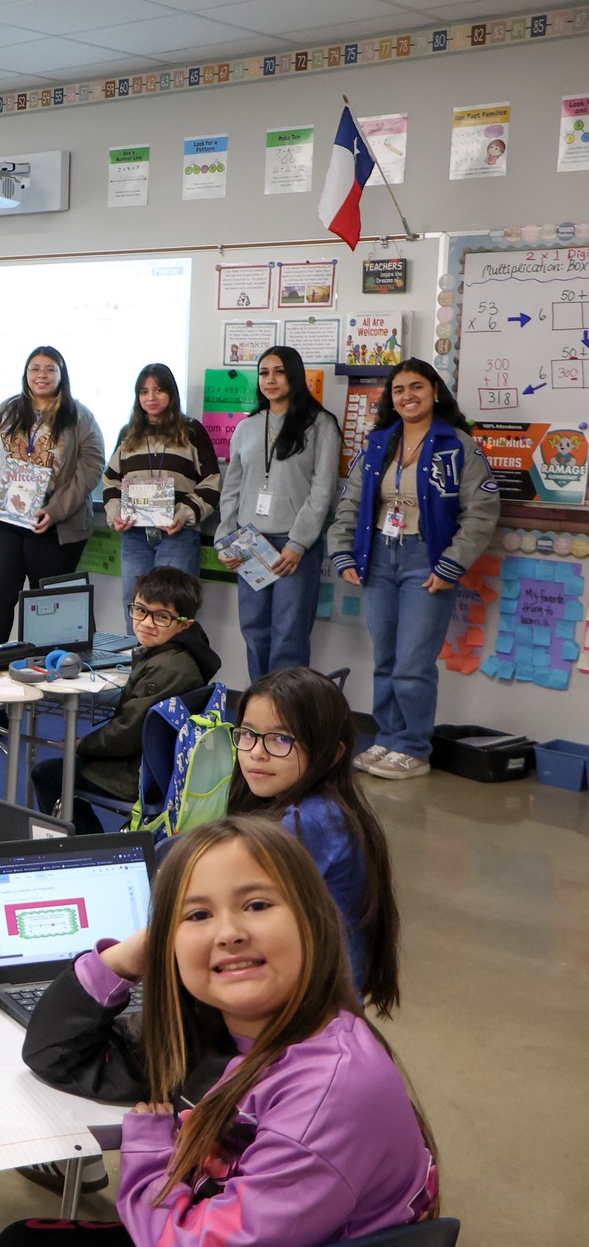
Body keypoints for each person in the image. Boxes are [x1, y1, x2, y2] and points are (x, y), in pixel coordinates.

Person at [0, 818, 440, 1247]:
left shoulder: (329, 1091)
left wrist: (148, 1160)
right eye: (198, 914)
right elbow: (53, 1052)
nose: (228, 932)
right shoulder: (221, 1037)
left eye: (256, 905)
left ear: (312, 920)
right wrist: (130, 956)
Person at [327, 359, 500, 780]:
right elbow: (351, 501)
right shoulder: (378, 444)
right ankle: (388, 737)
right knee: (385, 657)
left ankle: (414, 748)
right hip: (380, 558)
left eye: (417, 387)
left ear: (435, 391)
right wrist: (342, 552)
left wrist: (451, 564)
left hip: (427, 560)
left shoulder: (458, 445)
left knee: (413, 662)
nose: (408, 396)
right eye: (399, 389)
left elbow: (482, 510)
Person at [229, 668, 399, 1009]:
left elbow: (234, 920)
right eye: (248, 734)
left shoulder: (305, 823)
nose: (256, 753)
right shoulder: (326, 807)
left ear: (332, 754)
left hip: (310, 1006)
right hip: (318, 993)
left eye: (281, 739)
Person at [29, 567, 219, 833]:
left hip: (140, 774)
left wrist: (84, 744)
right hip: (155, 764)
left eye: (162, 616)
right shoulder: (179, 654)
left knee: (46, 774)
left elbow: (126, 733)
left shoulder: (168, 668)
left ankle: (88, 849)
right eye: (140, 610)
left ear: (184, 624)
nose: (146, 623)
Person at [214, 346, 343, 678]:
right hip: (249, 540)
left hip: (292, 543)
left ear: (295, 376)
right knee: (254, 631)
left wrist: (298, 543)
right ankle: (260, 711)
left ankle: (286, 717)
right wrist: (224, 538)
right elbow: (232, 487)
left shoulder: (320, 424)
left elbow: (323, 489)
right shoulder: (247, 426)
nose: (269, 379)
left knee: (289, 635)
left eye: (279, 371)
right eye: (263, 372)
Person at [0, 346, 107, 642]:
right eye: (35, 369)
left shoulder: (80, 417)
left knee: (49, 614)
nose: (41, 375)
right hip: (1, 523)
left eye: (49, 369)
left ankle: (44, 679)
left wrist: (55, 510)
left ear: (61, 374)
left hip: (53, 526)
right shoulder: (4, 412)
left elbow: (91, 469)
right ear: (26, 374)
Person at [103, 365, 219, 630]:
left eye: (158, 390)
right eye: (144, 391)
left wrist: (184, 514)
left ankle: (172, 666)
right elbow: (111, 480)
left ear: (171, 393)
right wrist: (114, 514)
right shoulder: (128, 433)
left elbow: (212, 482)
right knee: (135, 606)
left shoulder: (191, 431)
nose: (151, 397)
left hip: (177, 535)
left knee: (173, 606)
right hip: (135, 536)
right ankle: (140, 666)